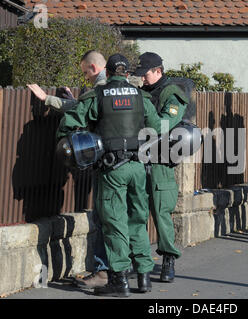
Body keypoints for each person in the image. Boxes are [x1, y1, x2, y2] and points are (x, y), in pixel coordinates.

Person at [56, 53, 163, 297]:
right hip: (138, 167)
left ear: (110, 71)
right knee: (137, 220)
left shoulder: (98, 96)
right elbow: (157, 127)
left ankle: (118, 280)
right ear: (126, 73)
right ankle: (144, 276)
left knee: (114, 222)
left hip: (112, 168)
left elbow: (70, 123)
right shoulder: (141, 96)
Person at [28, 50, 110, 289]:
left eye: (85, 72)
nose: (85, 77)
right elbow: (85, 107)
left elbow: (79, 111)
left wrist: (46, 98)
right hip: (127, 162)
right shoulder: (121, 88)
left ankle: (104, 273)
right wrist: (72, 100)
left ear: (94, 68)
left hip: (105, 161)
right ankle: (129, 272)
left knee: (104, 218)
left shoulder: (100, 88)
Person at [133, 52, 188, 282]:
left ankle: (168, 258)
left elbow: (166, 123)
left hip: (159, 160)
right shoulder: (142, 93)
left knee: (161, 211)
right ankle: (139, 259)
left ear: (158, 71)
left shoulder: (171, 94)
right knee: (136, 212)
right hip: (137, 157)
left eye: (145, 75)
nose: (142, 79)